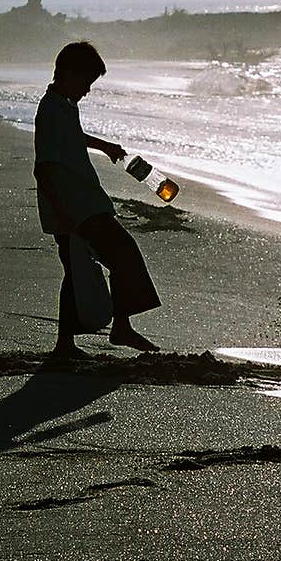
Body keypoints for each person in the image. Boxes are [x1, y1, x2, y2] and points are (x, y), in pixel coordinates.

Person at [34, 40, 161, 358]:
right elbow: (44, 168)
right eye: (86, 82)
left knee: (77, 271)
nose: (88, 90)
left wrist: (104, 146)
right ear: (68, 73)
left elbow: (70, 136)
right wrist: (63, 214)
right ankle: (120, 327)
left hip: (79, 204)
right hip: (76, 208)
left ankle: (67, 344)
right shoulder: (51, 109)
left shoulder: (62, 104)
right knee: (124, 254)